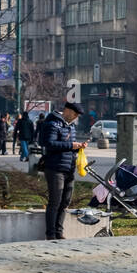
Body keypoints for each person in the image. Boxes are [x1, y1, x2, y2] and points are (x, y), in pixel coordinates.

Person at [37, 101, 87, 240]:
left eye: (77, 115)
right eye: (75, 114)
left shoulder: (70, 127)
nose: (76, 117)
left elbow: (68, 146)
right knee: (55, 202)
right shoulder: (52, 124)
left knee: (65, 202)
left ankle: (59, 232)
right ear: (67, 111)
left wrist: (79, 147)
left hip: (69, 168)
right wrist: (71, 145)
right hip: (55, 168)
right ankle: (51, 234)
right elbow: (49, 143)